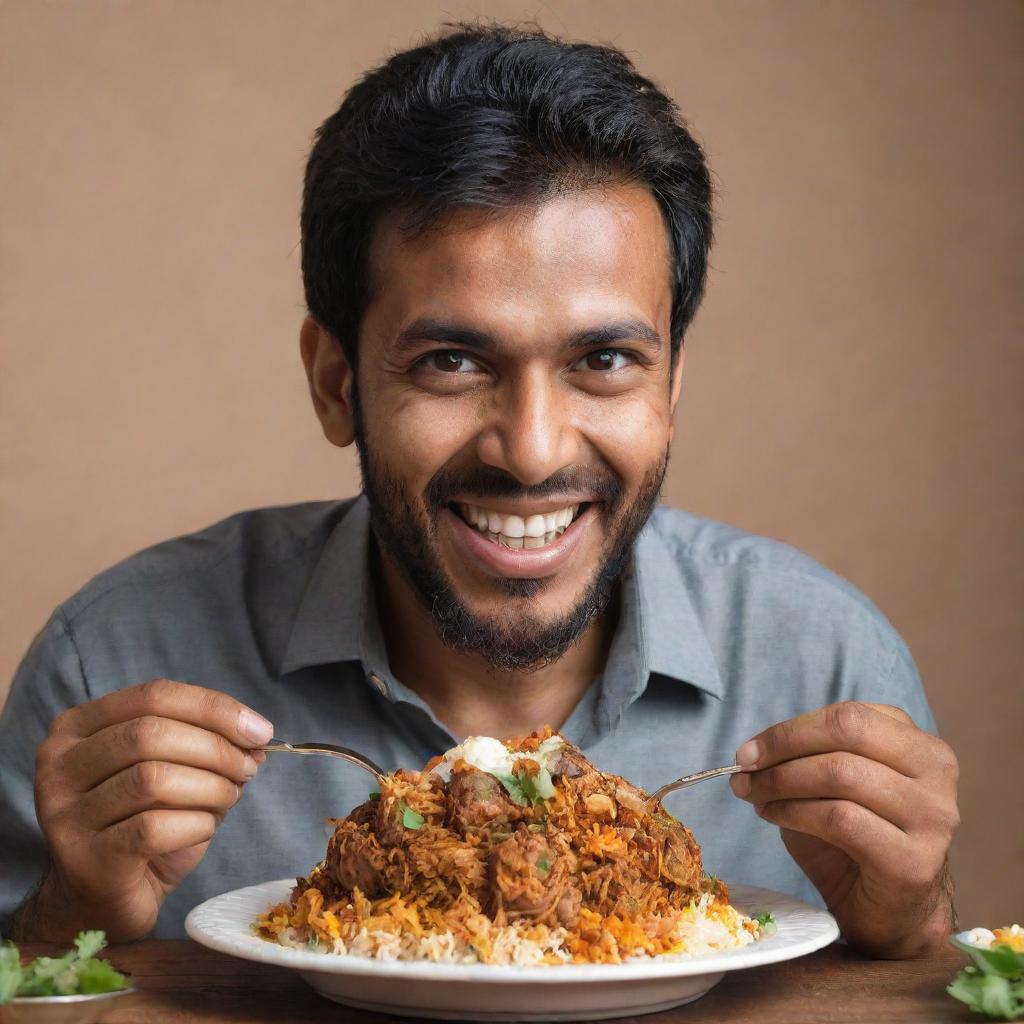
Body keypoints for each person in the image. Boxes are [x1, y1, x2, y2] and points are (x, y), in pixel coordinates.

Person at [0, 23, 958, 956]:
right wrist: (63, 914)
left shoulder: (825, 662)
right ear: (337, 383)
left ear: (670, 387)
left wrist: (910, 926)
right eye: (452, 361)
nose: (533, 452)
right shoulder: (112, 662)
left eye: (606, 359)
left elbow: (932, 970)